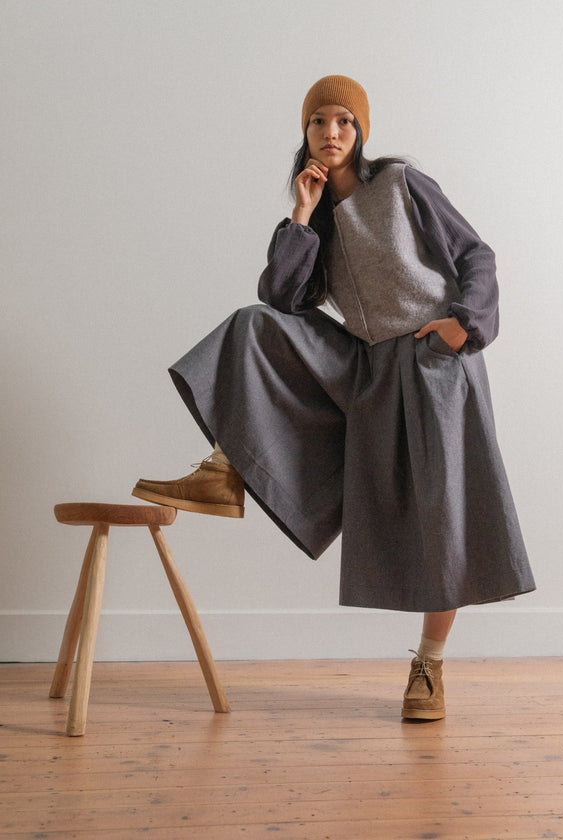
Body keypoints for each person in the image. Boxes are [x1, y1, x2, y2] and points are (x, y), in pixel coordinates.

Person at [133, 75, 535, 720]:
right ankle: (225, 468)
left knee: (443, 517)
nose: (332, 133)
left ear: (362, 131)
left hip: (433, 363)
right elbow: (283, 299)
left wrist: (467, 323)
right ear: (306, 134)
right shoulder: (316, 217)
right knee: (253, 325)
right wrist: (299, 214)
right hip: (367, 363)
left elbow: (474, 253)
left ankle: (428, 668)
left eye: (344, 121)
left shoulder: (403, 185)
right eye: (319, 122)